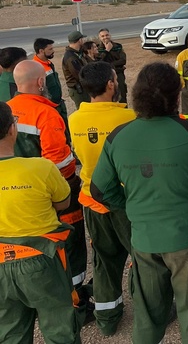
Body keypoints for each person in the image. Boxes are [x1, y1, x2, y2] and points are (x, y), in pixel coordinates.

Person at [91, 62, 188, 344]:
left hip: (144, 239)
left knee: (148, 312)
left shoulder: (118, 136)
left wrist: (131, 204)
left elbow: (99, 190)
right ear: (176, 96)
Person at [7, 60, 92, 322]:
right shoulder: (45, 114)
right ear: (41, 82)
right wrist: (74, 163)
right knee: (70, 248)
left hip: (16, 199)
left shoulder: (7, 110)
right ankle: (76, 300)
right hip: (52, 196)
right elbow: (59, 164)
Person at [0, 101, 79, 344]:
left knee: (10, 333)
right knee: (60, 330)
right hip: (41, 261)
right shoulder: (41, 167)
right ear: (12, 130)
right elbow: (63, 203)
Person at [68, 61, 136, 336]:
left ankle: (107, 318)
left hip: (91, 201)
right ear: (111, 84)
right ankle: (151, 307)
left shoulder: (74, 120)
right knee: (142, 256)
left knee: (104, 260)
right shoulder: (128, 118)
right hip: (125, 201)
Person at [33, 38, 70, 129]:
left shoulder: (48, 63)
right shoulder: (35, 67)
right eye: (50, 49)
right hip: (50, 108)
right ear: (41, 51)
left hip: (58, 104)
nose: (53, 51)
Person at [98, 28, 128, 103]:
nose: (105, 37)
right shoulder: (98, 49)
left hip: (118, 74)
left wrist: (109, 65)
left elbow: (123, 60)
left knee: (122, 96)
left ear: (110, 35)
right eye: (102, 36)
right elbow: (99, 62)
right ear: (100, 38)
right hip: (106, 76)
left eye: (107, 35)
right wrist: (106, 50)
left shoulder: (117, 46)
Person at [62, 30, 89, 109]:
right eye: (82, 39)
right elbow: (79, 74)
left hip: (81, 88)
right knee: (83, 111)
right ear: (79, 40)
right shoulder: (71, 57)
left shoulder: (76, 53)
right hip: (78, 90)